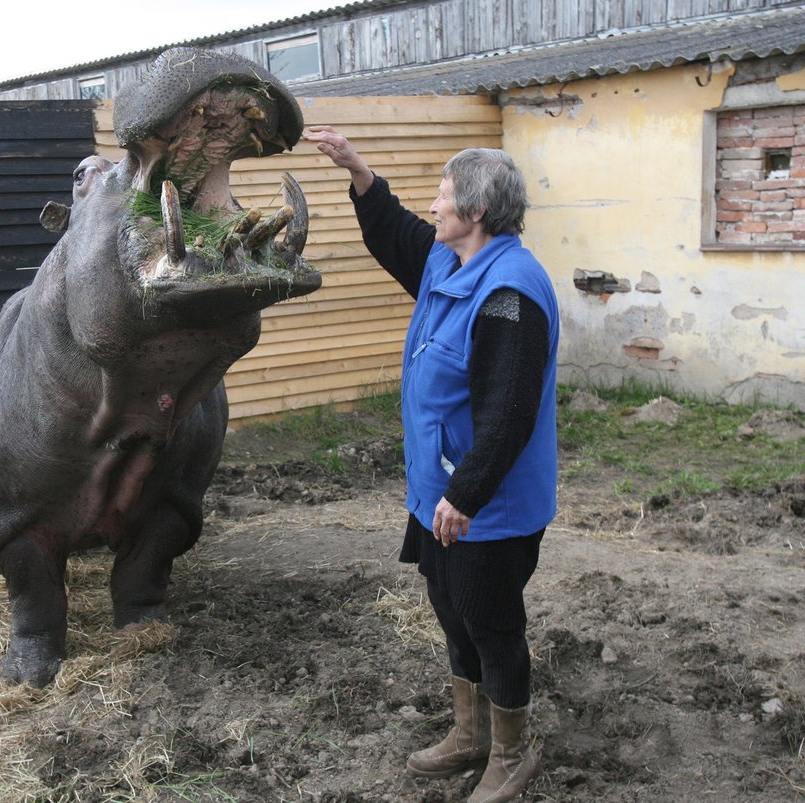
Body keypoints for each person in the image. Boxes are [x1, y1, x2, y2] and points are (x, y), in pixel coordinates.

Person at [305, 125, 558, 803]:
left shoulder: (509, 292)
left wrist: (467, 494)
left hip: (487, 505)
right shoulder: (451, 261)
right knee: (451, 609)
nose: (435, 206)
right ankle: (469, 734)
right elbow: (398, 233)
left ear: (475, 214)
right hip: (439, 494)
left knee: (492, 623)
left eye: (444, 198)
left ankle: (512, 752)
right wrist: (356, 167)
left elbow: (508, 415)